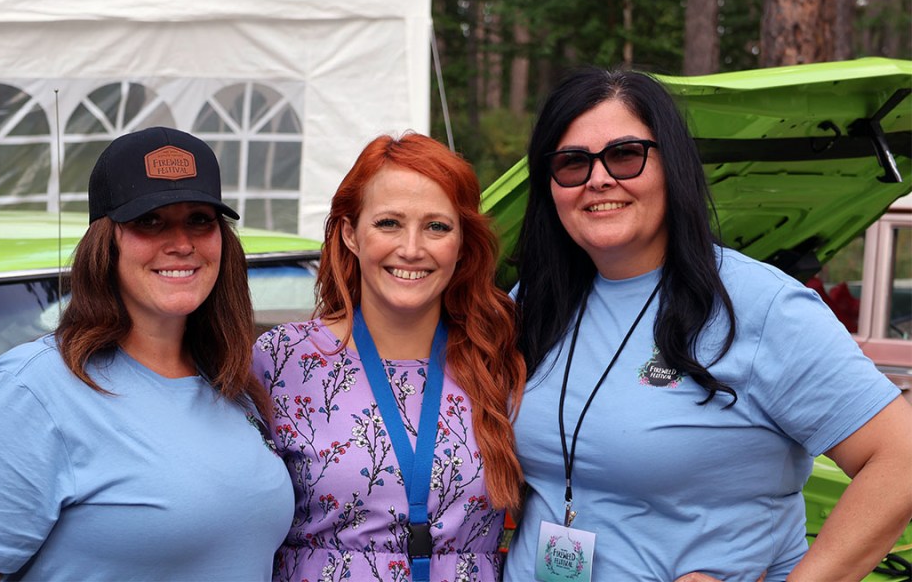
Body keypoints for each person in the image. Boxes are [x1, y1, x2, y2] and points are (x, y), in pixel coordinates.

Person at [503, 67, 912, 581]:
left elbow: (901, 460)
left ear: (671, 164)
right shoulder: (534, 300)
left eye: (626, 155)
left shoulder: (761, 307)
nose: (599, 178)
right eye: (571, 163)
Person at [0, 127, 292, 581]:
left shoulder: (235, 382)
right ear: (104, 243)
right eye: (150, 221)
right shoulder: (32, 391)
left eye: (200, 219)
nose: (182, 243)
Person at [251, 133, 526, 581]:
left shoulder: (496, 357)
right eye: (389, 223)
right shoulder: (281, 360)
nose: (412, 248)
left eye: (437, 226)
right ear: (350, 234)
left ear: (462, 243)